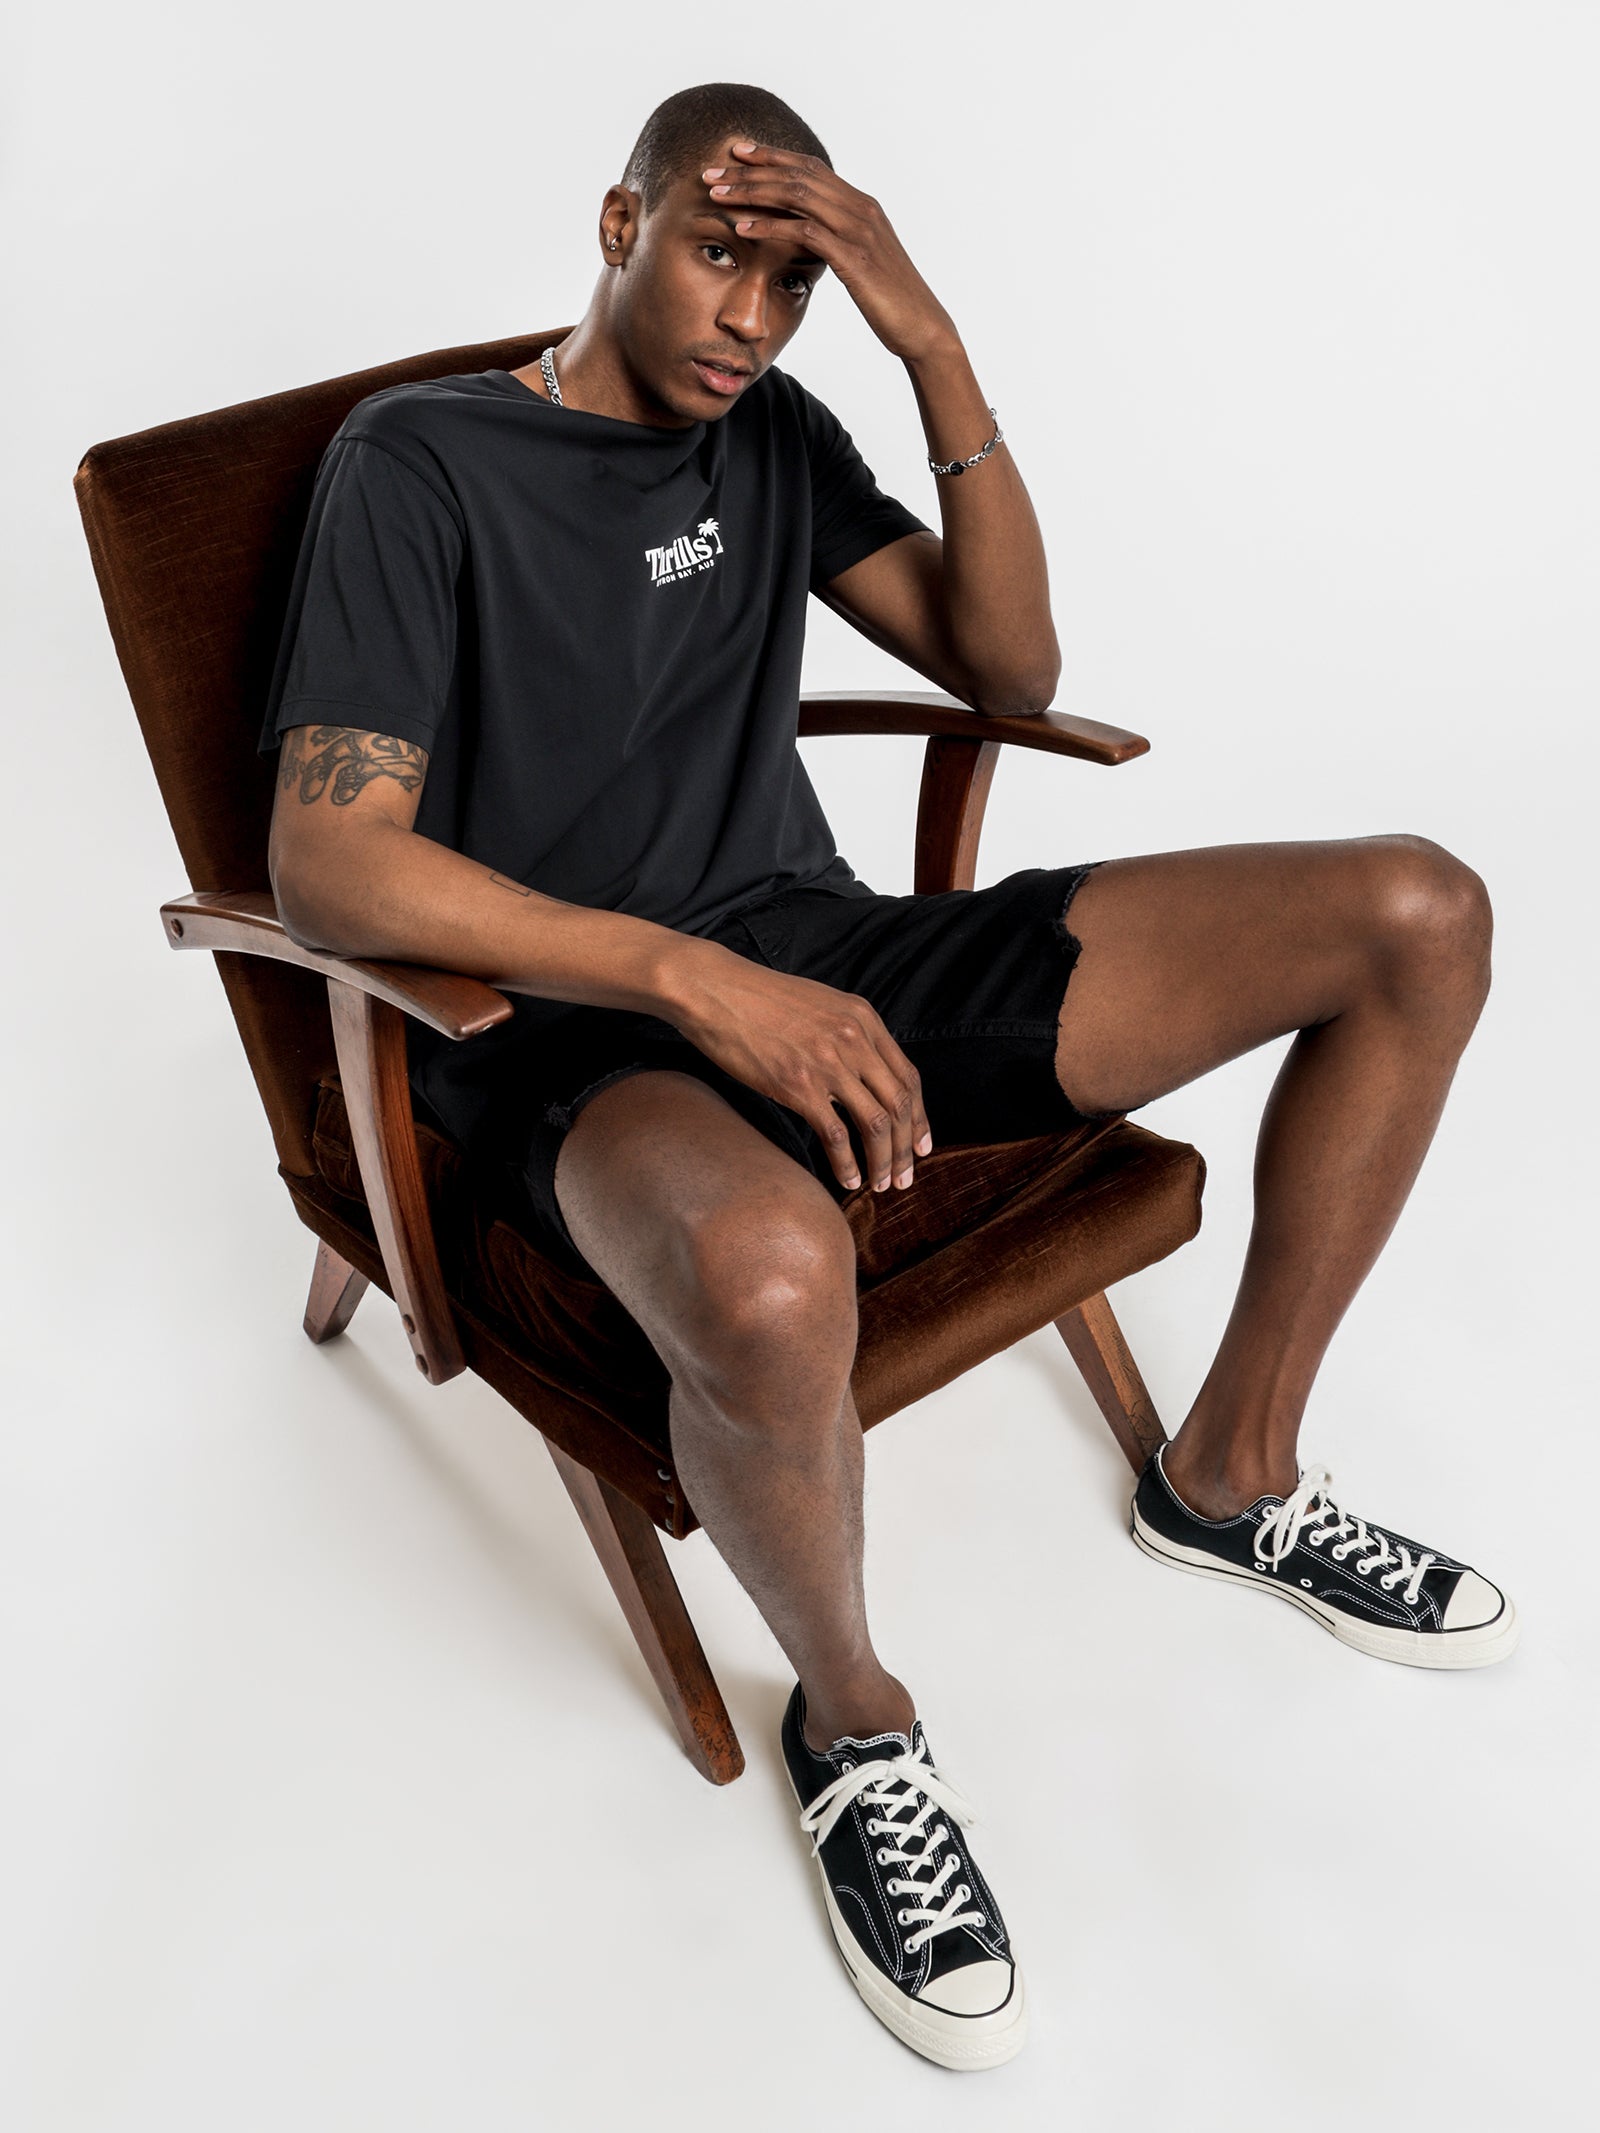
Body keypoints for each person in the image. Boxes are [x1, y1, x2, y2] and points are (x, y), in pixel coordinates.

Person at [257, 81, 1517, 2072]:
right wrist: (691, 979)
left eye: (796, 283)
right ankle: (853, 1726)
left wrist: (928, 338)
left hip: (819, 953)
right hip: (556, 1029)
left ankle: (1231, 1473)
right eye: (716, 251)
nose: (749, 315)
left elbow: (1008, 668)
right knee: (771, 1282)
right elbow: (330, 861)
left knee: (1417, 913)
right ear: (618, 221)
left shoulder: (773, 431)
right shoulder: (421, 461)